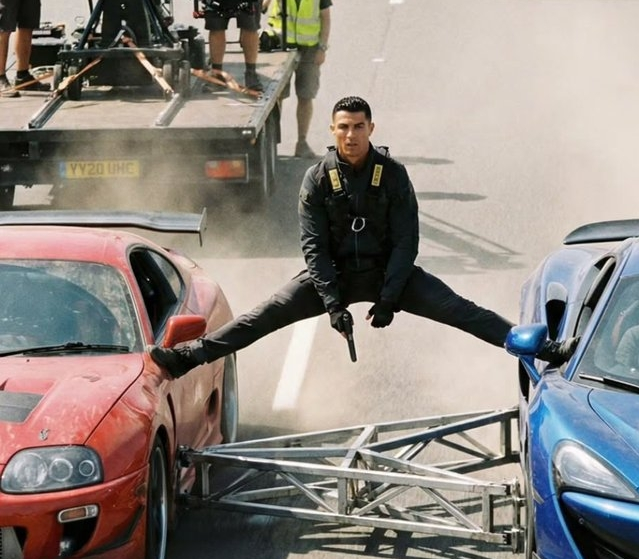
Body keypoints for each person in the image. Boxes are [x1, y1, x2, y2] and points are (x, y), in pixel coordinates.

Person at [149, 95, 577, 378]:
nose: (350, 135)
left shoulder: (393, 175)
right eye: (342, 127)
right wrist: (333, 304)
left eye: (357, 126)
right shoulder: (317, 179)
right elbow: (314, 247)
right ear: (332, 131)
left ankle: (544, 350)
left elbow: (406, 242)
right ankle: (186, 358)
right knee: (261, 317)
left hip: (390, 276)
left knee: (463, 311)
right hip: (332, 278)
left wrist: (389, 298)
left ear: (371, 128)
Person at [262, 0, 332, 159]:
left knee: (306, 96)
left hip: (309, 49)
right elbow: (262, 6)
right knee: (277, 99)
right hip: (281, 49)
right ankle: (272, 145)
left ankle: (301, 142)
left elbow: (325, 17)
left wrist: (322, 48)